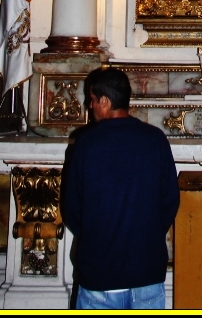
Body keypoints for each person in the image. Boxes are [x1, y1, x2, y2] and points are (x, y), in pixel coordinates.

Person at [62, 68, 179, 310]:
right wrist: (145, 238)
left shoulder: (86, 143)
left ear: (105, 101)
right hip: (147, 272)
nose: (89, 106)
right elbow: (170, 201)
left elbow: (71, 207)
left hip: (100, 272)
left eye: (92, 100)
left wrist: (97, 240)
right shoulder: (155, 139)